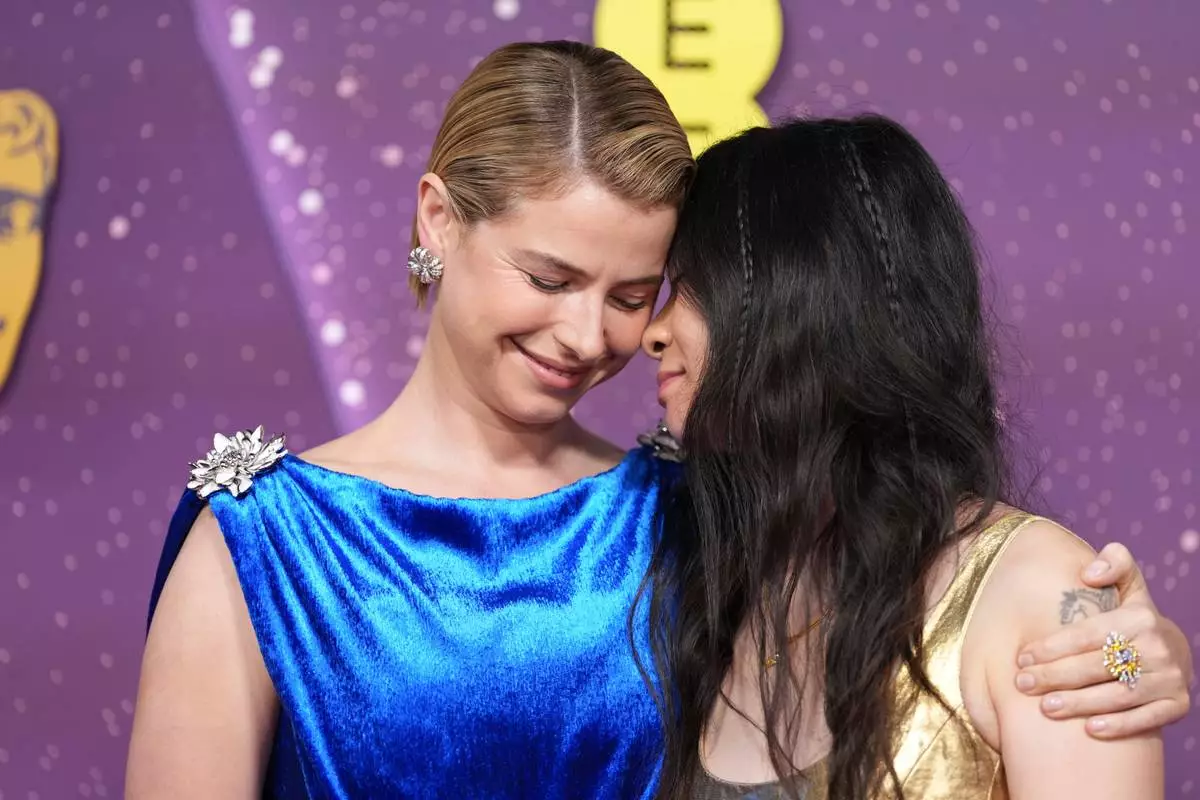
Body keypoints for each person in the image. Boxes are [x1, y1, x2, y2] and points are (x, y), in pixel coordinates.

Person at [126, 41, 1189, 798]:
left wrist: (1127, 647)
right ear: (439, 221)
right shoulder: (261, 541)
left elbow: (947, 596)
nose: (590, 334)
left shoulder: (697, 513)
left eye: (635, 294)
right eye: (549, 276)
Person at [639, 116, 1178, 800]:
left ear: (801, 296)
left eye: (689, 286)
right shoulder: (719, 579)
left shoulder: (1043, 594)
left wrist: (1128, 646)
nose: (652, 332)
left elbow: (1114, 660)